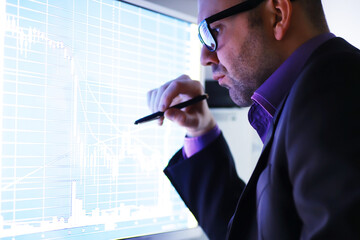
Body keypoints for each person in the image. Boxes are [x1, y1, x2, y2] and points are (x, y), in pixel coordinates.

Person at [147, 0, 360, 239]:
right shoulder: (317, 91)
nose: (205, 57)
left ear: (277, 15)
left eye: (213, 31)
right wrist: (201, 129)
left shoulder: (333, 90)